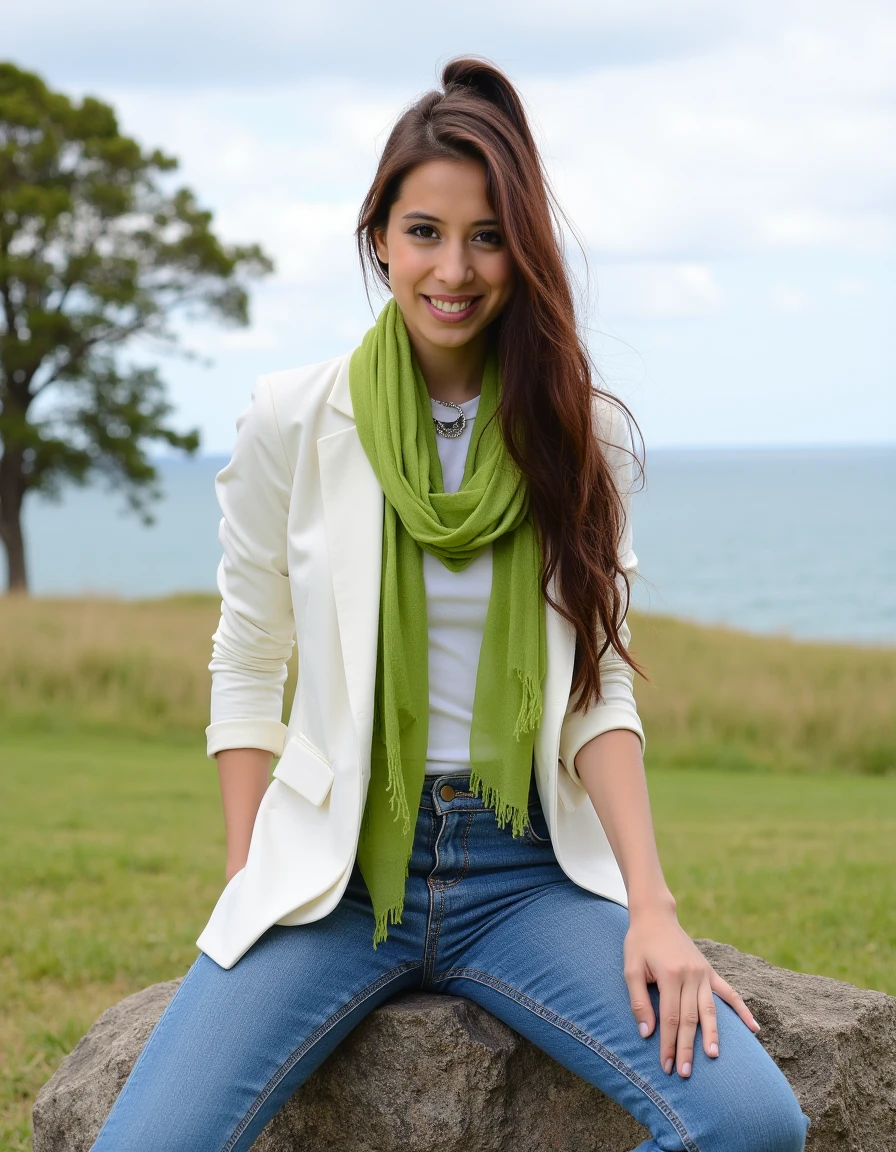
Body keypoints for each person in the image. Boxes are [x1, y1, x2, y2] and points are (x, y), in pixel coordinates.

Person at [90, 56, 811, 1152]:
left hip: (522, 868)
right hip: (332, 879)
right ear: (378, 234)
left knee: (751, 1121)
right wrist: (248, 888)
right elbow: (245, 665)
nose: (454, 270)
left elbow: (595, 686)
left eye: (486, 238)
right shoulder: (292, 418)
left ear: (520, 253)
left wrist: (651, 910)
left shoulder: (574, 431)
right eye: (424, 231)